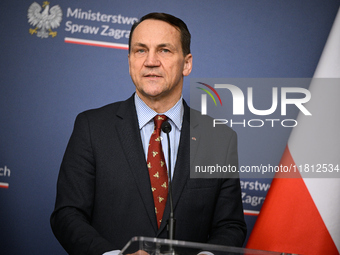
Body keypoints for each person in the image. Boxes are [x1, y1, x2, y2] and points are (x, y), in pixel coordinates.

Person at [50, 12, 247, 255]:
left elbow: (231, 226)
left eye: (164, 50)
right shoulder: (91, 127)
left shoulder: (219, 139)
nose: (150, 61)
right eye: (140, 50)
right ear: (130, 59)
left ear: (187, 63)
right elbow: (68, 215)